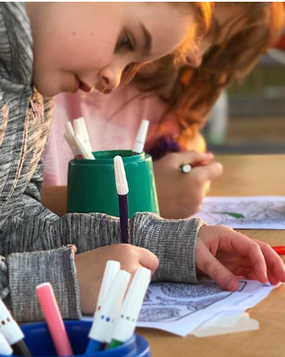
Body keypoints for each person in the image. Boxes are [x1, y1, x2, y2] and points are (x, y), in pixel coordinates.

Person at [0, 2, 284, 338]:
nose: (116, 79)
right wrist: (61, 283)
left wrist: (164, 243)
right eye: (127, 41)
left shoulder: (31, 79)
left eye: (134, 63)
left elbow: (8, 224)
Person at [41, 2, 285, 218]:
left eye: (216, 46)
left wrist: (180, 172)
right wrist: (144, 196)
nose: (195, 56)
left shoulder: (159, 97)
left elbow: (182, 155)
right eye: (203, 30)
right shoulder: (49, 73)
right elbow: (10, 210)